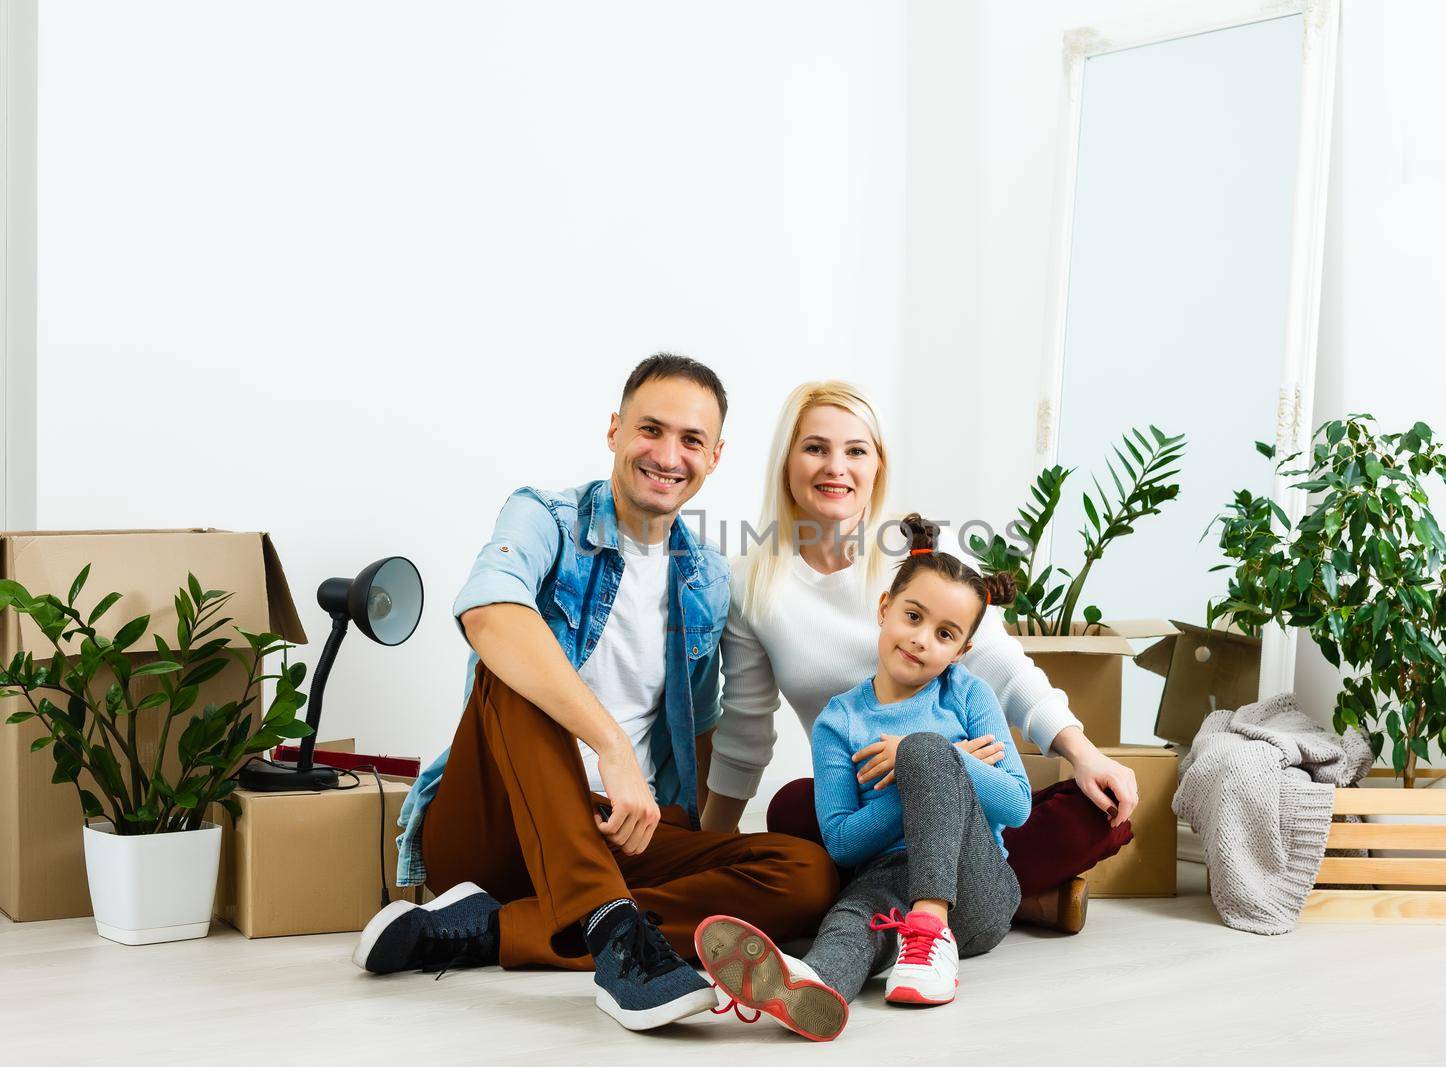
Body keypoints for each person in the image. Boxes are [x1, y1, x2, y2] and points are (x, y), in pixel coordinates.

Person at [354, 355, 838, 1034]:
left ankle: (496, 930)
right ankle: (617, 943)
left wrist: (693, 835)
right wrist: (610, 743)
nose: (669, 455)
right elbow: (489, 613)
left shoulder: (705, 576)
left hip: (617, 832)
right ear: (614, 429)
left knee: (806, 872)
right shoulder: (543, 517)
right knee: (516, 659)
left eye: (692, 440)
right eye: (651, 429)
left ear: (715, 456)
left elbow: (699, 725)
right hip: (496, 826)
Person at [699, 381, 1136, 920]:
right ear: (786, 460)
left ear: (878, 465)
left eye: (856, 450)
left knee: (1098, 810)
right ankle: (1011, 901)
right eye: (815, 447)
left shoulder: (923, 553)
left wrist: (1085, 754)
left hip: (965, 797)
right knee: (792, 809)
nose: (836, 467)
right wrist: (709, 849)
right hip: (866, 810)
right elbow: (745, 727)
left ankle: (938, 899)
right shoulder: (752, 583)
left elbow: (1002, 666)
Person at [694, 517, 1031, 1041]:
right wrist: (919, 777)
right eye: (912, 616)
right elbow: (843, 842)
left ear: (962, 651)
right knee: (851, 919)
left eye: (944, 634)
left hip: (977, 890)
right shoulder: (839, 721)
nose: (921, 640)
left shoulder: (967, 696)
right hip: (886, 876)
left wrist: (935, 759)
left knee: (924, 749)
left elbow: (1017, 804)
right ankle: (807, 987)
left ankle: (931, 925)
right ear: (884, 609)